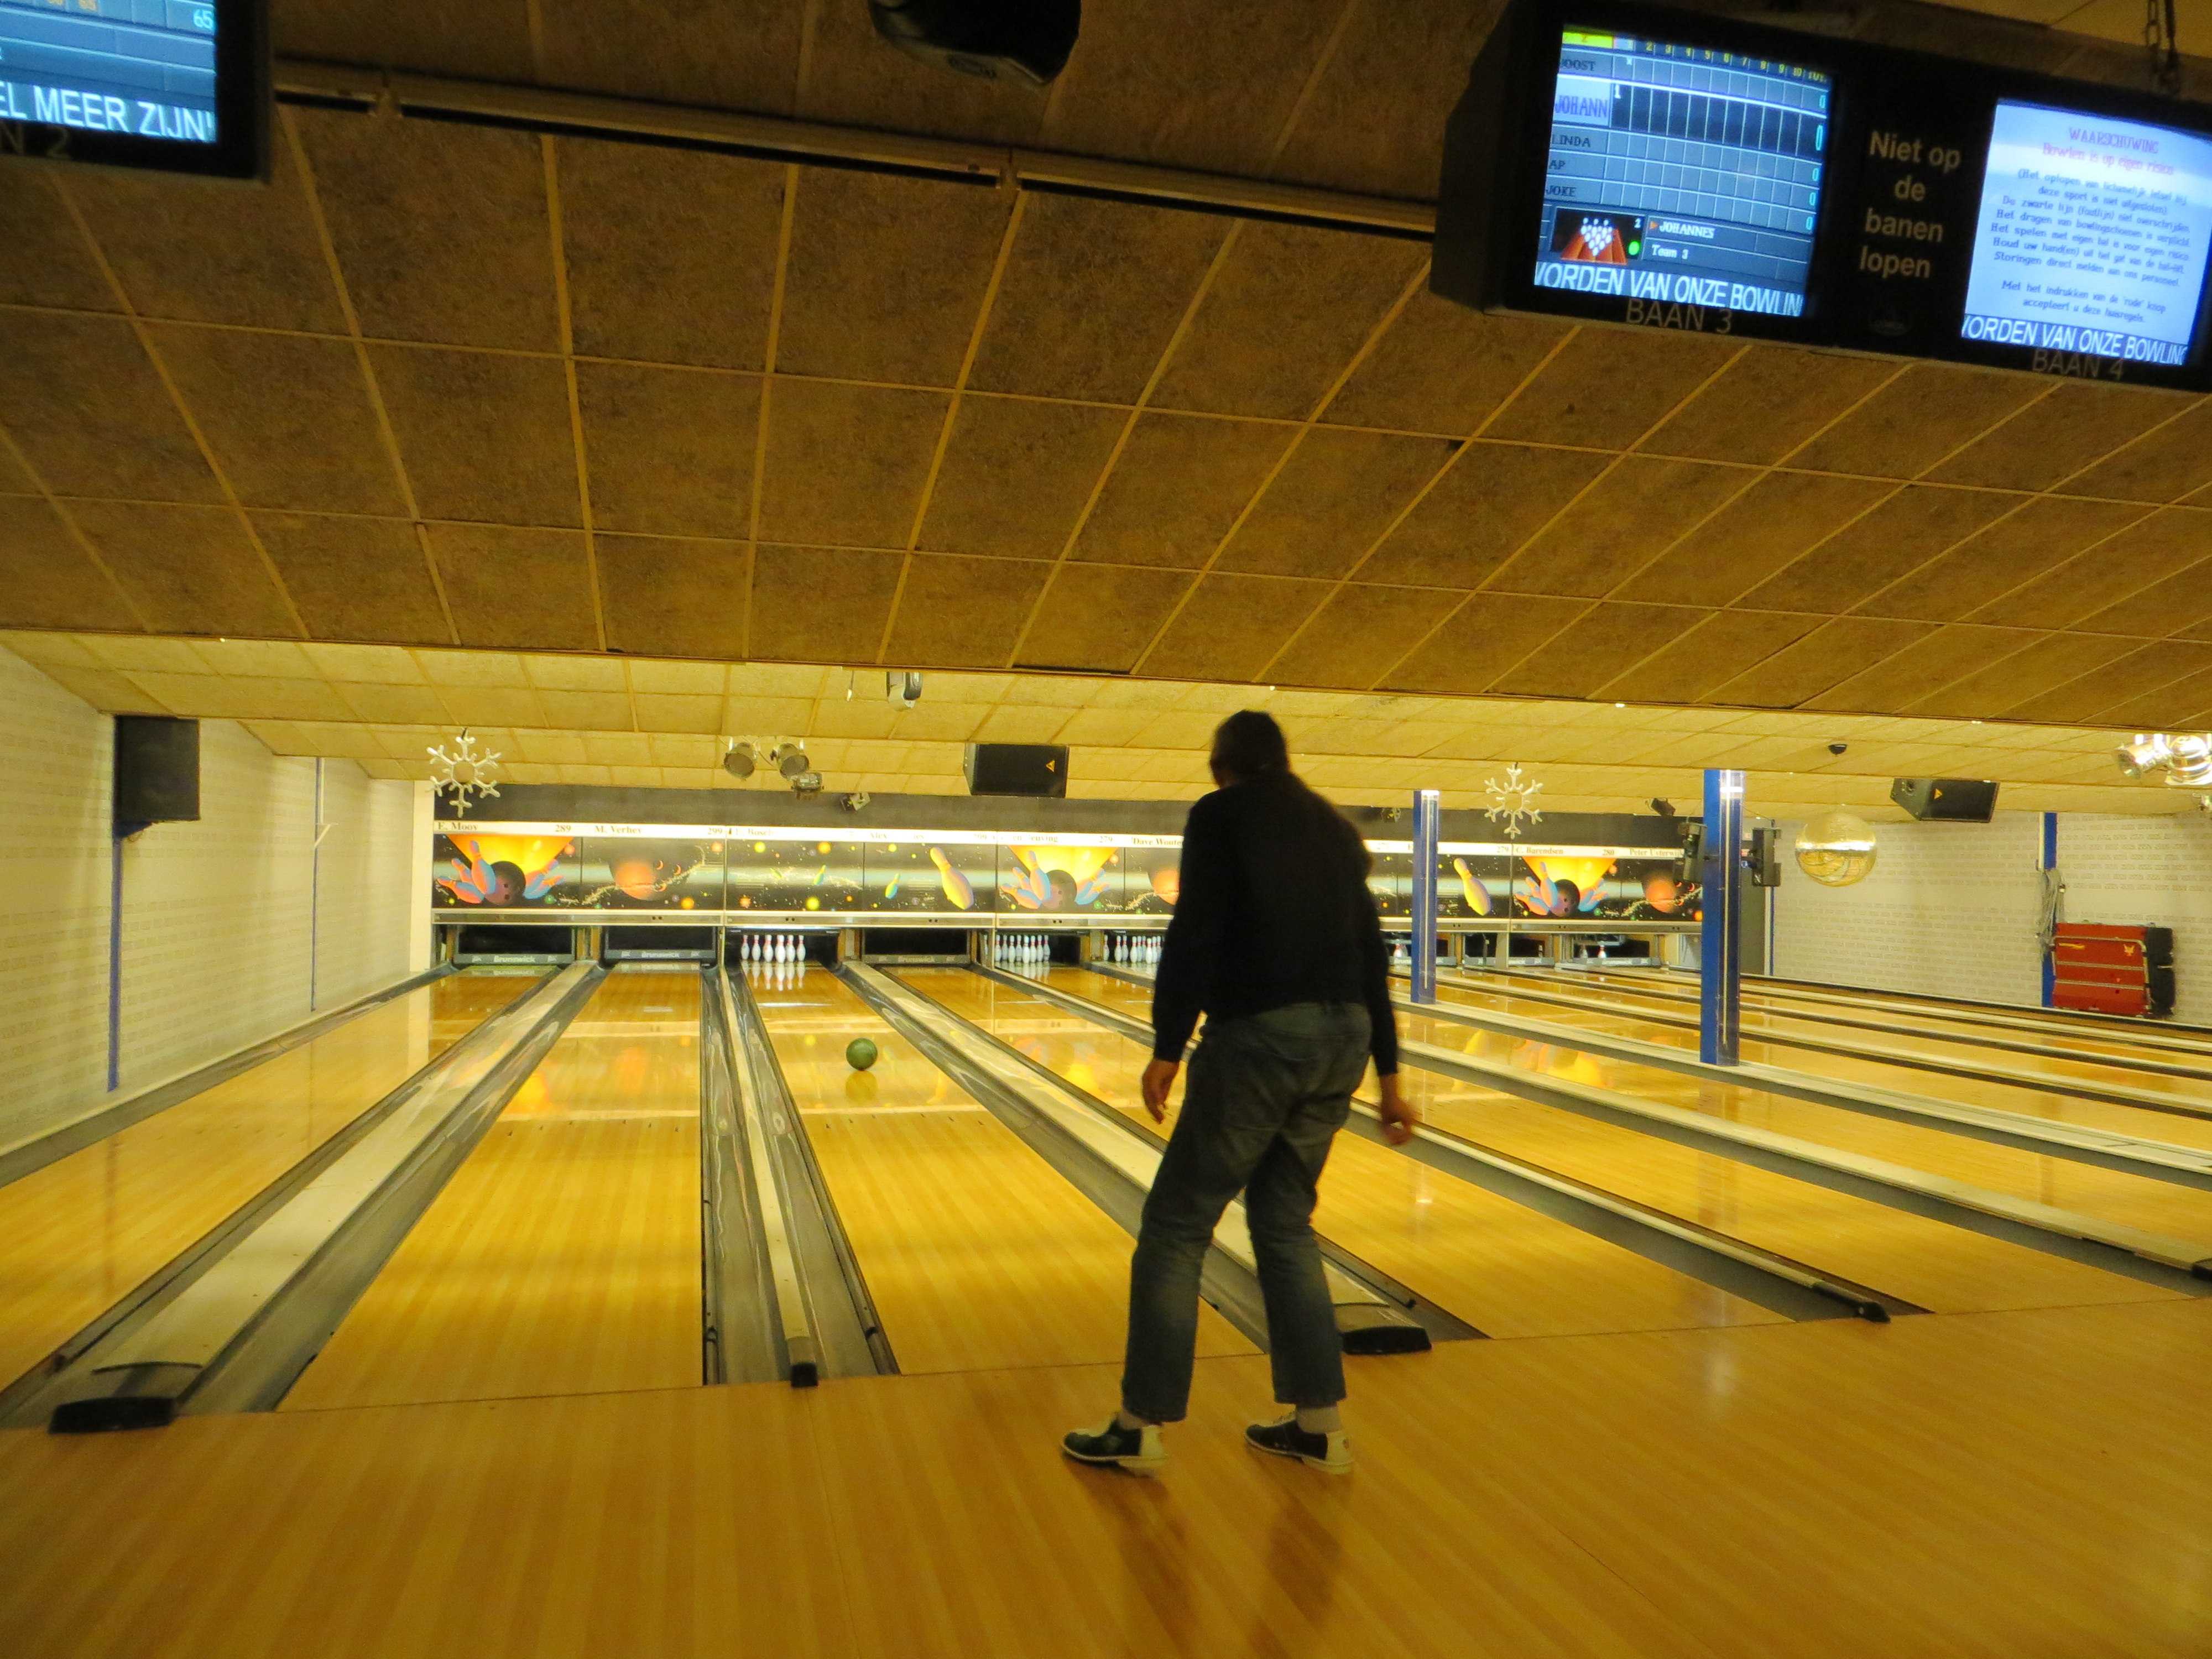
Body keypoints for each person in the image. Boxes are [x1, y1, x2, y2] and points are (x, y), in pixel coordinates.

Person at [1062, 711, 1417, 1478]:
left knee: (1176, 1226)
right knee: (1285, 1225)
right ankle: (1318, 1428)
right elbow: (1371, 957)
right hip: (1344, 1040)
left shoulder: (1220, 814)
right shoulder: (1335, 830)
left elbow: (1197, 930)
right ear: (1282, 760)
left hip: (1260, 1036)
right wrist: (1391, 1078)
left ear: (1221, 767)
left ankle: (1138, 1426)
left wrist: (1167, 1045)